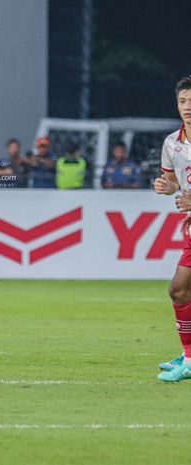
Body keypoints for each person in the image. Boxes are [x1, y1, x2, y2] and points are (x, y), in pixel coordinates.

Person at [155, 76, 191, 381]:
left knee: (179, 289)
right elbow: (174, 184)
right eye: (182, 101)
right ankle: (189, 355)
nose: (187, 107)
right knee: (180, 290)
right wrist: (165, 186)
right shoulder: (172, 143)